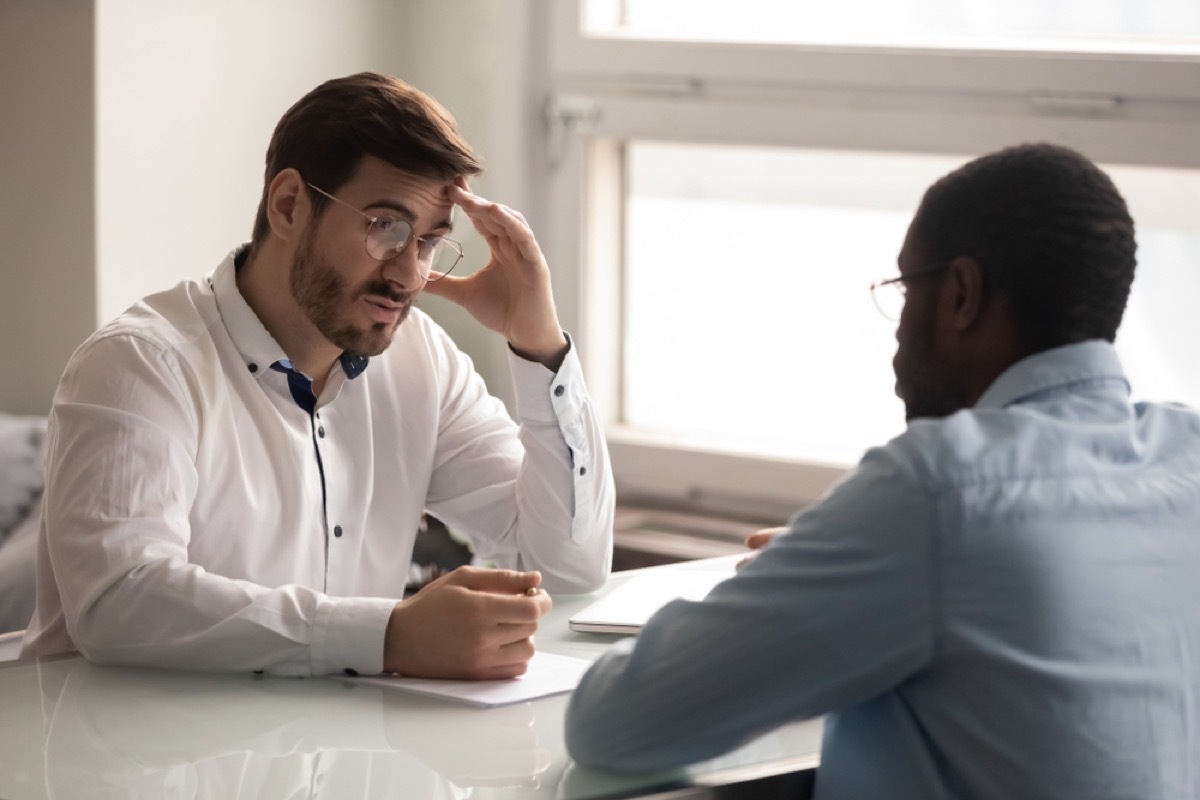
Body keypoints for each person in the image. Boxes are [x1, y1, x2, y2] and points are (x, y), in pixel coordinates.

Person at [565, 143, 1200, 799]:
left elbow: (613, 725)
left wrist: (796, 589)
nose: (897, 336)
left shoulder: (940, 489)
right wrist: (836, 566)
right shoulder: (1187, 453)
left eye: (905, 291)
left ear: (961, 294)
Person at [21, 72, 615, 679]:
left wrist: (539, 346)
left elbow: (565, 569)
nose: (410, 276)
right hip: (113, 763)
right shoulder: (140, 365)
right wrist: (387, 637)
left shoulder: (422, 362)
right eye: (387, 228)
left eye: (431, 241)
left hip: (333, 758)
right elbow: (119, 602)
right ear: (288, 206)